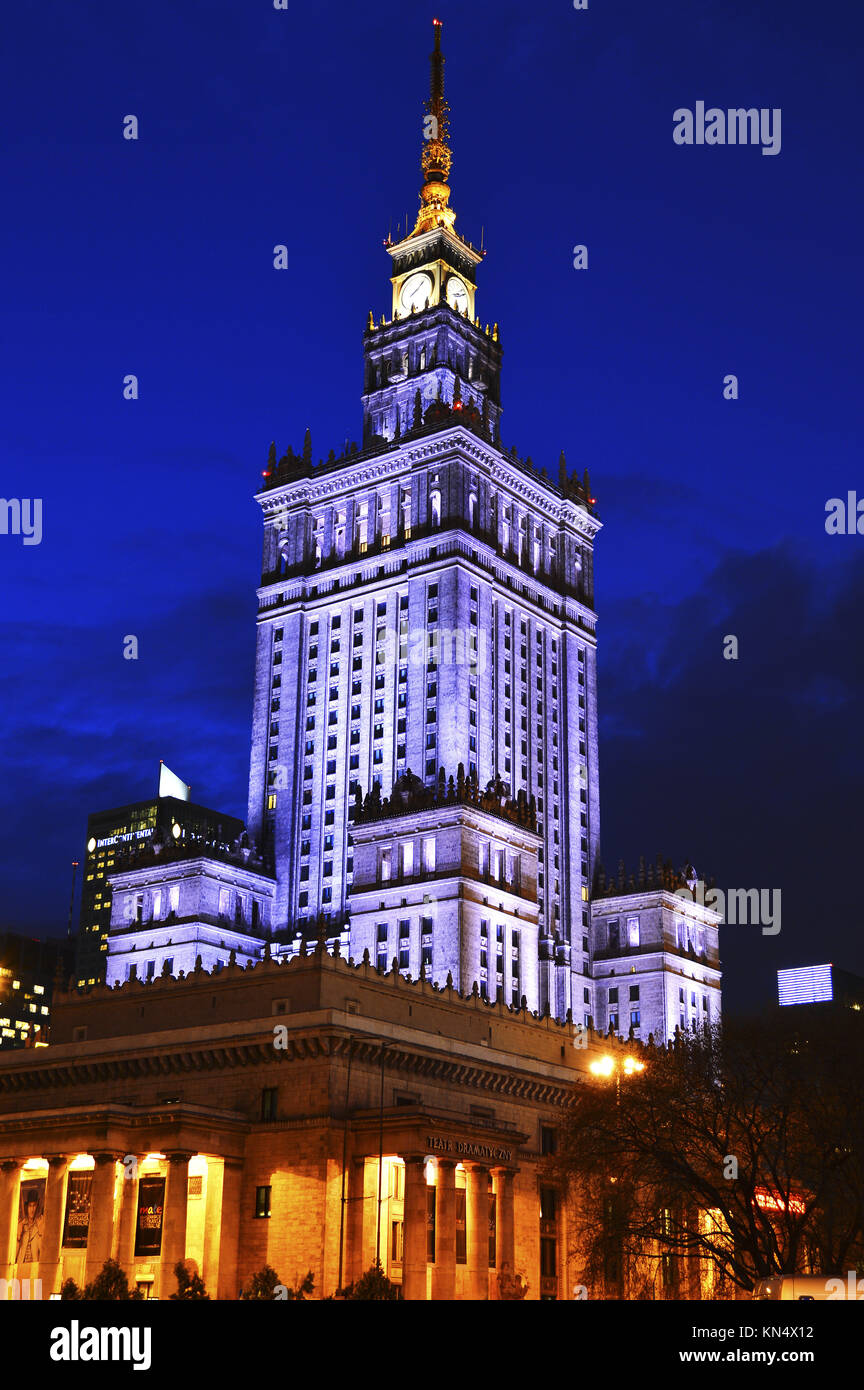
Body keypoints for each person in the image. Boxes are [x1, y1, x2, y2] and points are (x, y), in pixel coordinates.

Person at [16, 1190, 43, 1264]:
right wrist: (18, 1236)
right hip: (21, 1266)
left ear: (37, 1207)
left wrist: (41, 1232)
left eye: (34, 1205)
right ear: (26, 1207)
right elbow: (14, 1254)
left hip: (35, 1267)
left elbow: (43, 1252)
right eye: (30, 1206)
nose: (32, 1209)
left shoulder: (41, 1222)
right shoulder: (21, 1224)